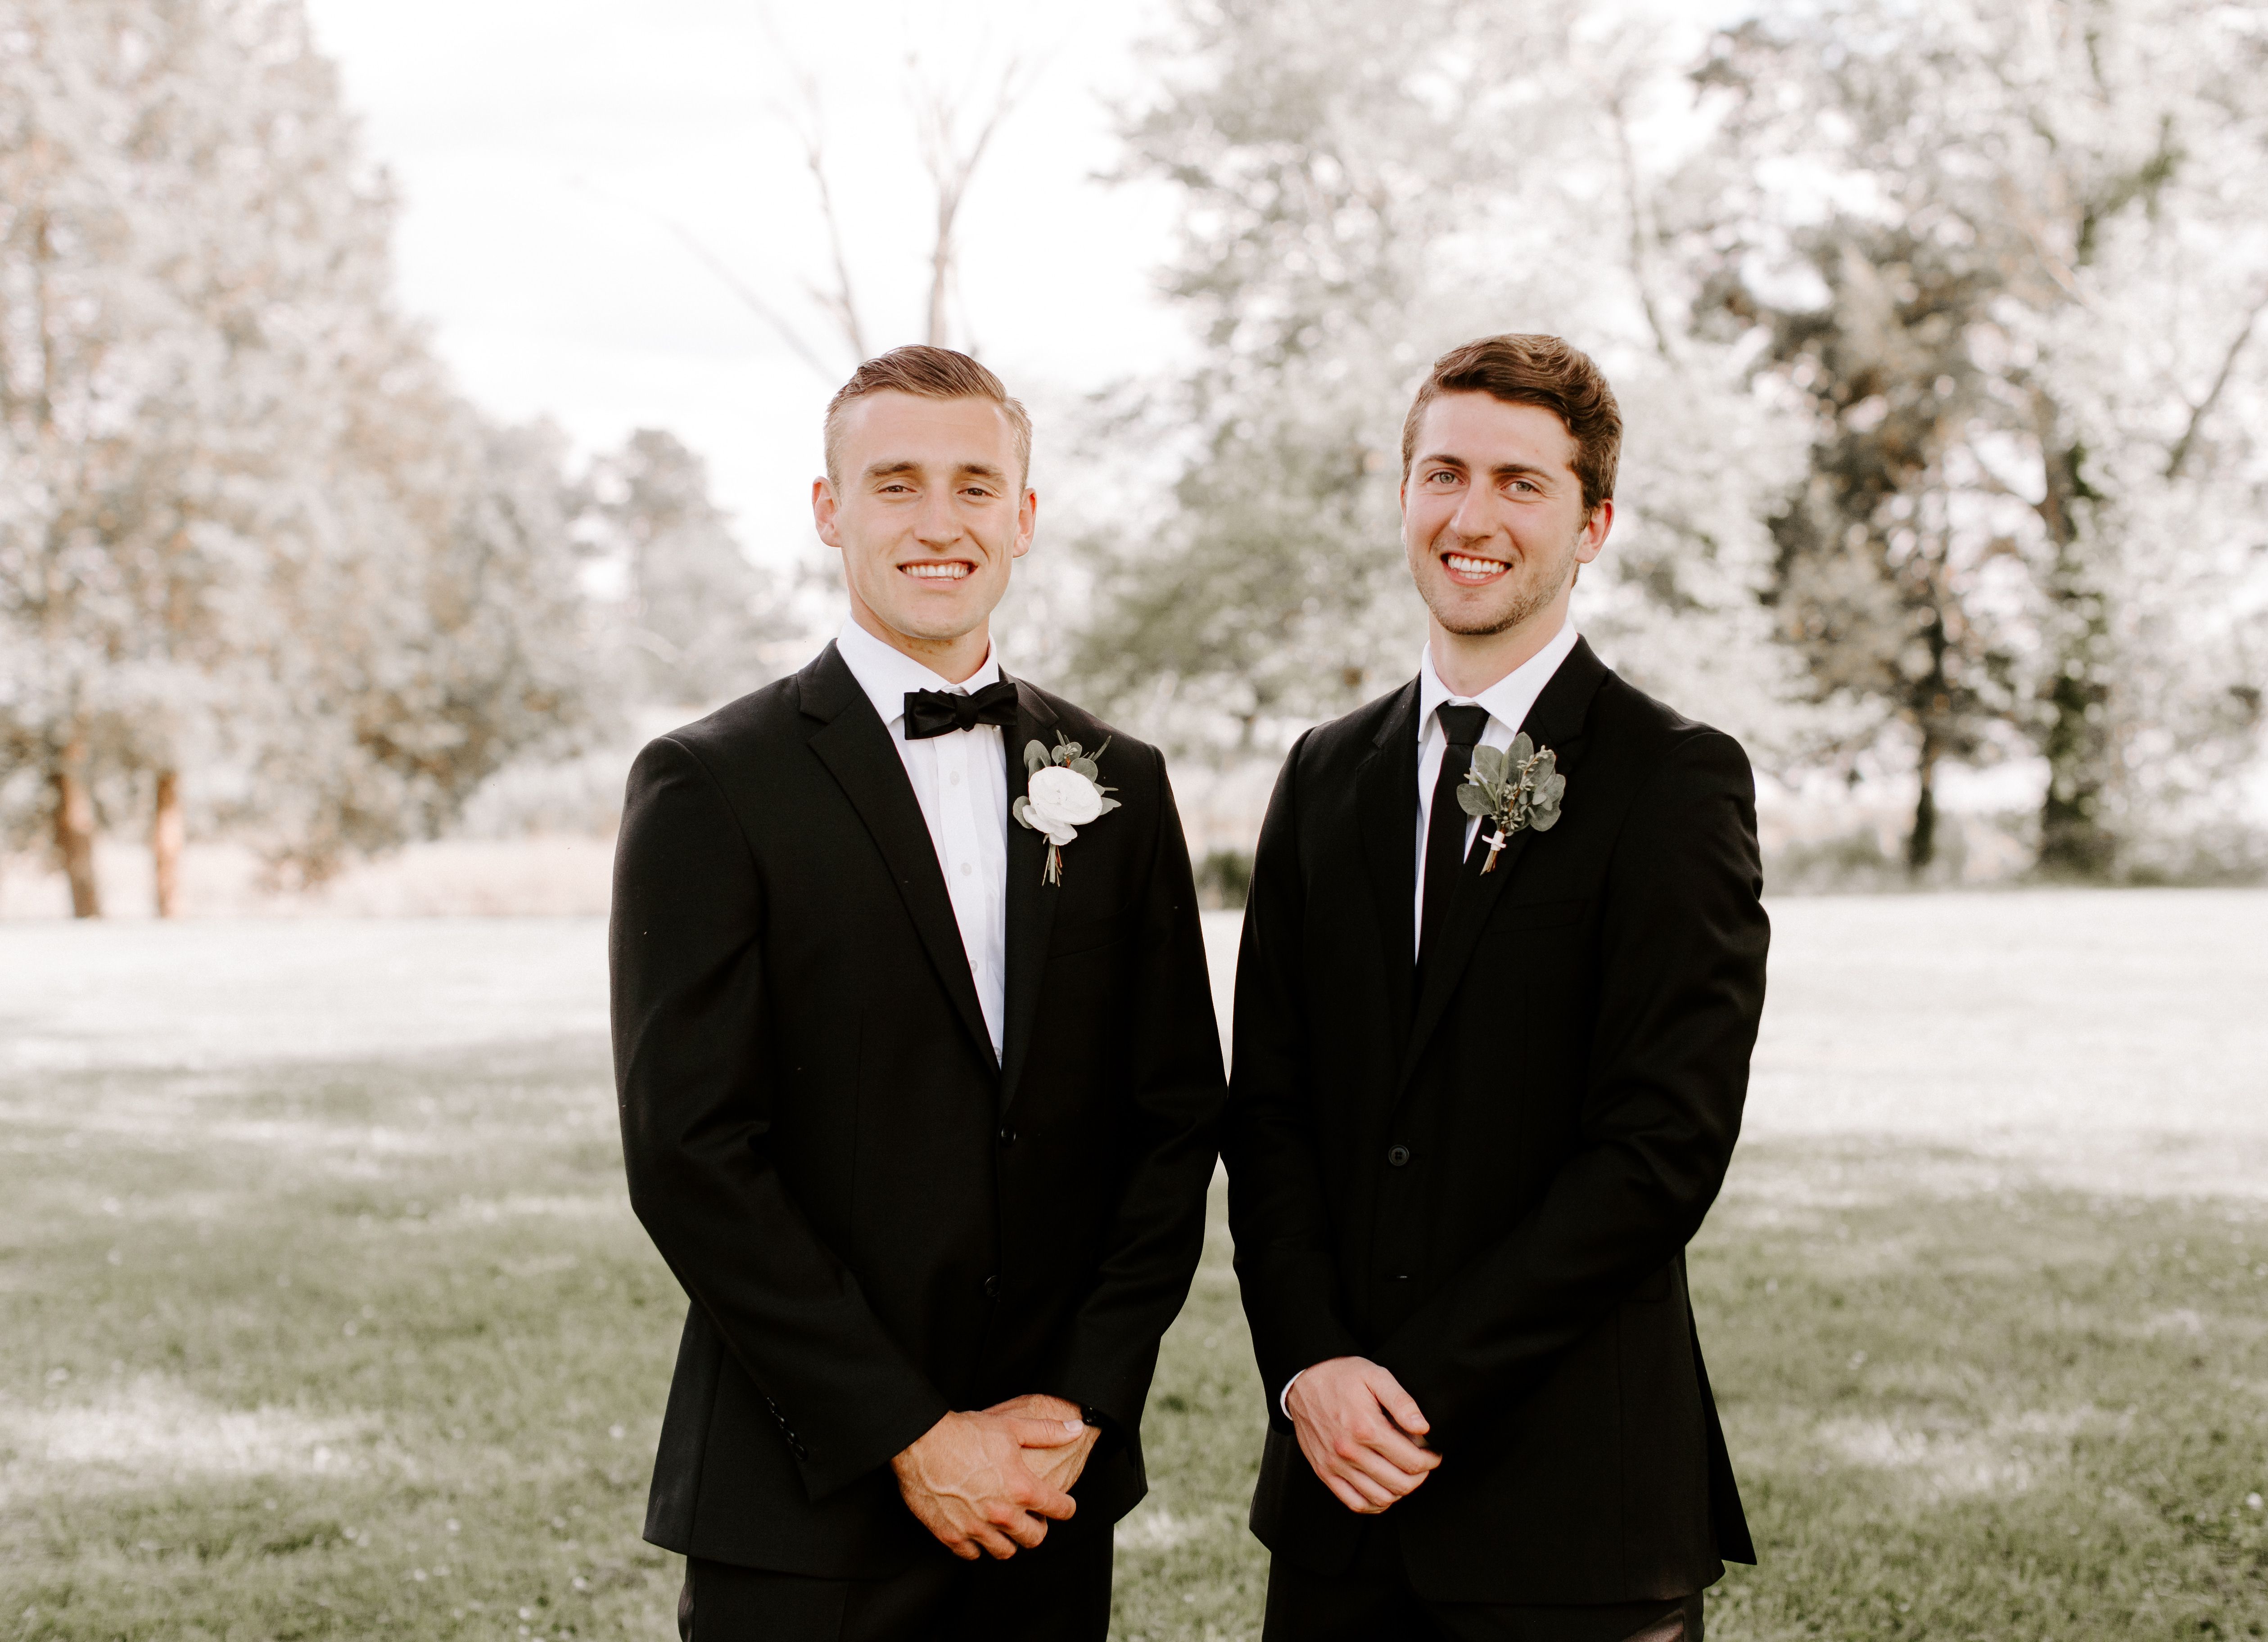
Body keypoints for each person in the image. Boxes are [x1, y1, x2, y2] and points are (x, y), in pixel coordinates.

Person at [611, 345, 1224, 1641]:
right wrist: (906, 1430)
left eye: (974, 486)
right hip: (803, 1488)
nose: (938, 523)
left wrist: (1082, 1405)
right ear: (830, 511)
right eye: (895, 485)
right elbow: (690, 1152)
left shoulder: (1118, 778)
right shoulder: (709, 783)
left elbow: (1172, 1120)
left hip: (1049, 1487)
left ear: (1024, 517)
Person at [1223, 334, 1767, 1641]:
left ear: (1595, 525)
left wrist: (1408, 1388)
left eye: (1522, 484)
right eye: (1443, 474)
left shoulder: (1673, 780)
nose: (1474, 517)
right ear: (1404, 496)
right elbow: (1270, 1107)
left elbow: (1660, 1150)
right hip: (1338, 1506)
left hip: (1570, 1509)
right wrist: (1309, 1368)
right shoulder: (1322, 774)